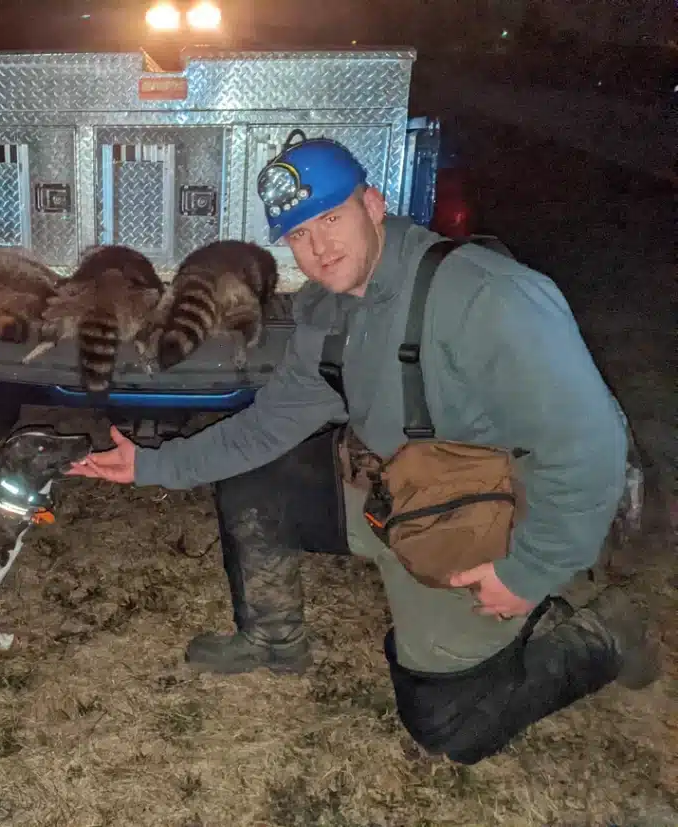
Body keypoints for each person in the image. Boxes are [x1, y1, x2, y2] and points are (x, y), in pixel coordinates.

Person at [67, 131, 659, 764]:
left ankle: (606, 633)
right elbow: (265, 429)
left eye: (331, 218)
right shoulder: (329, 315)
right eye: (298, 234)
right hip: (396, 493)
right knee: (259, 481)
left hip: (493, 516)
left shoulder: (485, 296)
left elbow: (591, 445)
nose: (318, 247)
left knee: (449, 726)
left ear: (373, 205)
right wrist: (152, 463)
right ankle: (273, 640)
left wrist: (528, 570)